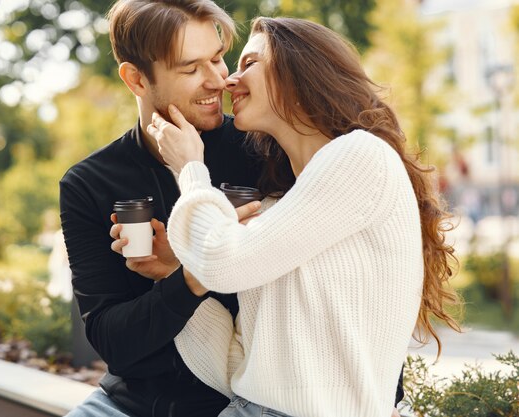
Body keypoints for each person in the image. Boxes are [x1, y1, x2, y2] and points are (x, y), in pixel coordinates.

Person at [149, 17, 461, 417]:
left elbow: (224, 264)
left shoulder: (360, 156)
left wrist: (189, 169)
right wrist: (169, 274)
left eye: (249, 63)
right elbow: (238, 366)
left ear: (297, 70)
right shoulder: (279, 207)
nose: (229, 81)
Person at [58, 1, 264, 416]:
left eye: (218, 58)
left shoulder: (261, 151)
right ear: (136, 79)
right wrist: (188, 280)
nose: (217, 80)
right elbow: (112, 341)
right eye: (190, 69)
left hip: (246, 402)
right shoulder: (89, 183)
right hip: (127, 404)